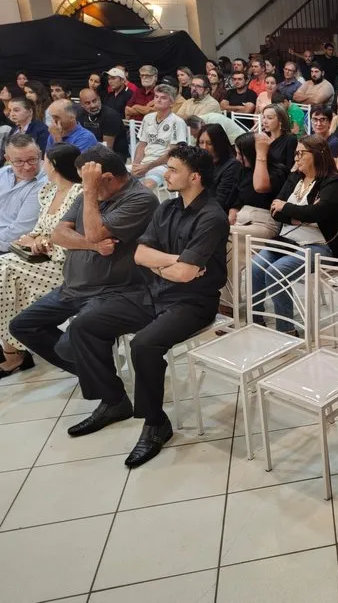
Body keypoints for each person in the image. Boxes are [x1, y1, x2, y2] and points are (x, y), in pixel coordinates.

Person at [52, 144, 228, 467]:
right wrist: (173, 263)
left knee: (144, 345)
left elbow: (186, 275)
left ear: (195, 177)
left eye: (173, 169)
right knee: (85, 325)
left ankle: (155, 423)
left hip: (193, 302)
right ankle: (113, 400)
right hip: (154, 292)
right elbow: (140, 255)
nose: (166, 174)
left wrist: (166, 265)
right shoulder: (167, 208)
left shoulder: (212, 217)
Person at [9, 146, 159, 383]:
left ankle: (101, 380)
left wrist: (89, 192)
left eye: (87, 181)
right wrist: (94, 246)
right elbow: (58, 234)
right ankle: (95, 375)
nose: (83, 186)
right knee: (22, 326)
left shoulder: (141, 199)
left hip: (112, 291)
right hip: (73, 287)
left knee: (69, 346)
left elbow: (94, 232)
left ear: (106, 178)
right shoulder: (88, 195)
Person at [0, 144, 82, 379]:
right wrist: (36, 239)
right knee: (1, 276)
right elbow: (37, 230)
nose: (40, 166)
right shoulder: (48, 191)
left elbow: (75, 236)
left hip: (64, 263)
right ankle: (6, 349)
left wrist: (43, 242)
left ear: (53, 165)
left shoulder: (78, 193)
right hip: (40, 258)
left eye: (42, 160)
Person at [251, 136, 338, 331]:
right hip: (288, 239)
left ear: (317, 154)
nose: (296, 158)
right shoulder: (295, 177)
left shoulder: (333, 182)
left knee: (277, 272)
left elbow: (317, 213)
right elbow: (274, 210)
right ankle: (256, 320)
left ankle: (286, 330)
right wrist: (299, 216)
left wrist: (287, 208)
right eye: (295, 153)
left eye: (300, 153)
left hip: (321, 245)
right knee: (256, 266)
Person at [0, 134, 46, 255]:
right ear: (7, 159)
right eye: (19, 161)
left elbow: (21, 228)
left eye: (32, 159)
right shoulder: (2, 173)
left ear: (39, 154)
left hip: (12, 247)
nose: (27, 167)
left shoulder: (44, 183)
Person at [229, 132, 289, 242]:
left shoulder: (278, 171)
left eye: (240, 154)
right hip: (242, 220)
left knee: (221, 231)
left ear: (251, 153)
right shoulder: (243, 170)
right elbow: (236, 195)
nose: (237, 158)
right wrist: (233, 210)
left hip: (264, 223)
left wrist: (261, 153)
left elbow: (260, 187)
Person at [131, 84, 190, 189]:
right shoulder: (148, 118)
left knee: (147, 186)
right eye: (156, 97)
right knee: (113, 179)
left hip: (165, 165)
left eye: (163, 98)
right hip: (144, 162)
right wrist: (136, 165)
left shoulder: (177, 122)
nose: (158, 100)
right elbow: (142, 145)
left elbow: (172, 153)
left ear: (171, 103)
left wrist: (147, 167)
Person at [197, 123, 240, 211]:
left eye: (209, 143)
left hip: (215, 211)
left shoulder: (231, 165)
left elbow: (221, 200)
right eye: (201, 143)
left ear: (219, 143)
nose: (204, 147)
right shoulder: (199, 161)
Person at [78, 87, 125, 161]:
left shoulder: (110, 115)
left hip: (113, 155)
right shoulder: (79, 114)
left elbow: (107, 148)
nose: (93, 105)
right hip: (88, 152)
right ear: (81, 104)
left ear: (99, 99)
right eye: (87, 103)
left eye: (94, 101)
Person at [259, 103, 298, 172]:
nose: (264, 121)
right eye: (264, 117)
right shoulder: (262, 138)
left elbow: (290, 168)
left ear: (280, 121)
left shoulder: (290, 139)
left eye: (269, 118)